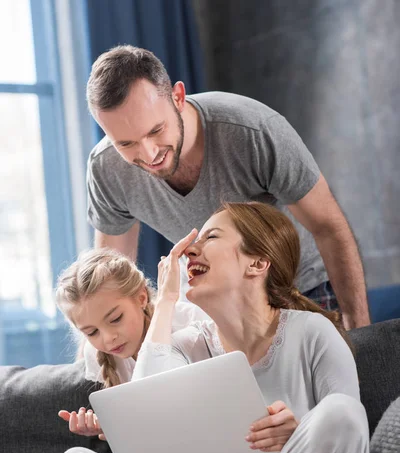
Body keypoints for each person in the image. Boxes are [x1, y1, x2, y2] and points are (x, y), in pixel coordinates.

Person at [51, 202, 371, 453]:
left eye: (211, 237)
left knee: (338, 413)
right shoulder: (188, 344)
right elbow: (152, 404)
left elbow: (352, 442)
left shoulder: (313, 331)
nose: (190, 249)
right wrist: (165, 301)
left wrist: (300, 433)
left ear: (256, 264)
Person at [85, 44, 370, 330]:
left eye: (156, 131)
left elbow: (329, 228)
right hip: (217, 311)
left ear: (178, 98)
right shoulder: (106, 169)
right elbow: (112, 283)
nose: (149, 154)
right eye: (126, 143)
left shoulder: (255, 132)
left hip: (303, 290)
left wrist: (360, 329)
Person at [55, 247, 205, 439]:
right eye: (92, 332)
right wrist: (108, 428)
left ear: (141, 298)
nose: (108, 338)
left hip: (197, 437)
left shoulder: (189, 322)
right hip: (156, 450)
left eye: (116, 319)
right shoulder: (95, 353)